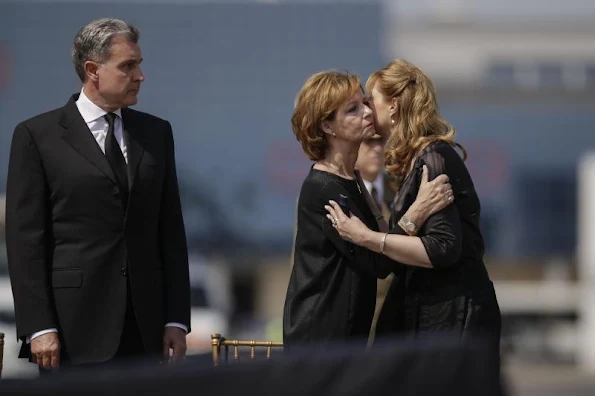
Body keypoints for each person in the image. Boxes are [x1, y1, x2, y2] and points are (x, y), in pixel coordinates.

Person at [5, 18, 190, 373]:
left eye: (139, 64)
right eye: (128, 65)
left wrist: (176, 320)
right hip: (71, 332)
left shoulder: (156, 133)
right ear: (92, 70)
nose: (140, 75)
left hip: (146, 331)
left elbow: (170, 231)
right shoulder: (36, 136)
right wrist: (39, 327)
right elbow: (25, 240)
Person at [325, 59, 501, 366]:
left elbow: (442, 248)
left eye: (371, 101)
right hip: (437, 315)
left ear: (393, 106)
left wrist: (368, 237)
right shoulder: (419, 159)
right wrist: (414, 214)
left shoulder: (432, 157)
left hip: (450, 318)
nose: (367, 110)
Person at [283, 70, 452, 348]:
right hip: (321, 340)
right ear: (327, 126)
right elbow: (379, 263)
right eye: (352, 109)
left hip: (348, 337)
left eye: (364, 102)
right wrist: (418, 210)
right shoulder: (323, 187)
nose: (367, 112)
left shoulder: (352, 179)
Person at [354, 133, 397, 345]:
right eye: (369, 141)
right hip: (353, 327)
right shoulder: (336, 191)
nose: (378, 148)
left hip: (396, 326)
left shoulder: (401, 190)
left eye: (382, 141)